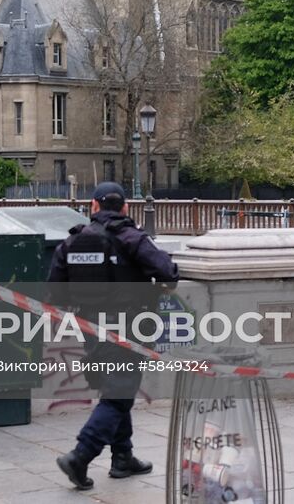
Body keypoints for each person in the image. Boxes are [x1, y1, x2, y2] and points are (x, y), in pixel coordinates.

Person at [48, 181, 179, 491]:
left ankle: (123, 458)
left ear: (93, 206)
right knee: (118, 395)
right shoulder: (132, 238)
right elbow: (168, 272)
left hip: (91, 329)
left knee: (115, 390)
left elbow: (53, 290)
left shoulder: (72, 242)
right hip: (128, 329)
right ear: (125, 208)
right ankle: (80, 456)